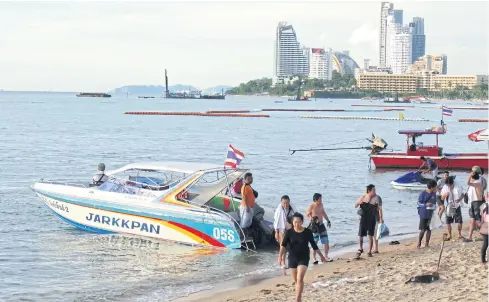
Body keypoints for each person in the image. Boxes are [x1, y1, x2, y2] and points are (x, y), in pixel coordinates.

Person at [278, 213, 326, 302]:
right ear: (292, 222)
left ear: (302, 222)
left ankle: (298, 299)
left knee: (300, 277)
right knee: (297, 280)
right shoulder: (289, 232)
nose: (297, 224)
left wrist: (322, 256)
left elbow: (314, 245)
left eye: (299, 222)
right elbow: (283, 245)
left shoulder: (307, 232)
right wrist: (280, 257)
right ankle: (299, 294)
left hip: (304, 257)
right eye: (295, 222)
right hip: (292, 257)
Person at [305, 193, 332, 263]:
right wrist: (310, 218)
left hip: (321, 225)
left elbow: (323, 213)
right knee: (315, 242)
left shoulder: (321, 205)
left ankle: (326, 256)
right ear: (315, 200)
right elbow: (306, 215)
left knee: (326, 241)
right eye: (320, 199)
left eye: (321, 199)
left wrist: (328, 221)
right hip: (314, 226)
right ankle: (314, 258)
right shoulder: (311, 206)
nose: (321, 200)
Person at [354, 184, 379, 257]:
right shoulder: (363, 197)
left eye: (375, 190)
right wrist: (359, 202)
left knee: (370, 235)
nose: (375, 192)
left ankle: (369, 251)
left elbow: (378, 209)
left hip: (372, 220)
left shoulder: (376, 199)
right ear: (369, 191)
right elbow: (355, 206)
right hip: (363, 219)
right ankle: (361, 248)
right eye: (373, 190)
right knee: (361, 235)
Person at [273, 195, 295, 266]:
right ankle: (282, 261)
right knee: (283, 246)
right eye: (284, 203)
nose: (285, 205)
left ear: (289, 202)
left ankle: (292, 261)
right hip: (281, 229)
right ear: (281, 202)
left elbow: (296, 216)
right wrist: (276, 232)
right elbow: (276, 222)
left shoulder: (292, 207)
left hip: (289, 228)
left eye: (287, 203)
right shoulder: (279, 210)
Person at [440, 176, 464, 241]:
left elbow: (463, 194)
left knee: (459, 221)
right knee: (448, 221)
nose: (449, 186)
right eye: (448, 185)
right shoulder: (445, 188)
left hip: (457, 205)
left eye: (450, 185)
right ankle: (450, 235)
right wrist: (445, 194)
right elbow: (442, 198)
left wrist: (459, 199)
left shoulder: (458, 186)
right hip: (449, 206)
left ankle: (459, 234)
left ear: (453, 183)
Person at [417, 180, 437, 248]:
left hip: (430, 213)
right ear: (431, 187)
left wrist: (434, 207)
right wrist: (426, 204)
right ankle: (419, 243)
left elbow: (434, 203)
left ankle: (427, 244)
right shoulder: (423, 193)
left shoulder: (434, 193)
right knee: (423, 229)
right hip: (423, 213)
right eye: (435, 187)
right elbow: (419, 203)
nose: (435, 188)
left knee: (429, 229)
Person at [467, 171, 484, 241]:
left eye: (471, 177)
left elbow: (467, 182)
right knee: (472, 220)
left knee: (478, 221)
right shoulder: (473, 184)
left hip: (477, 203)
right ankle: (469, 237)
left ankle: (485, 235)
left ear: (472, 178)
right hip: (471, 203)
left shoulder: (478, 183)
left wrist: (470, 175)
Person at [480, 199, 489, 265]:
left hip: (485, 225)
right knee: (485, 244)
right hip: (486, 226)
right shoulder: (485, 205)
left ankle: (483, 260)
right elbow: (482, 216)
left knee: (485, 244)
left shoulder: (484, 205)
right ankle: (483, 260)